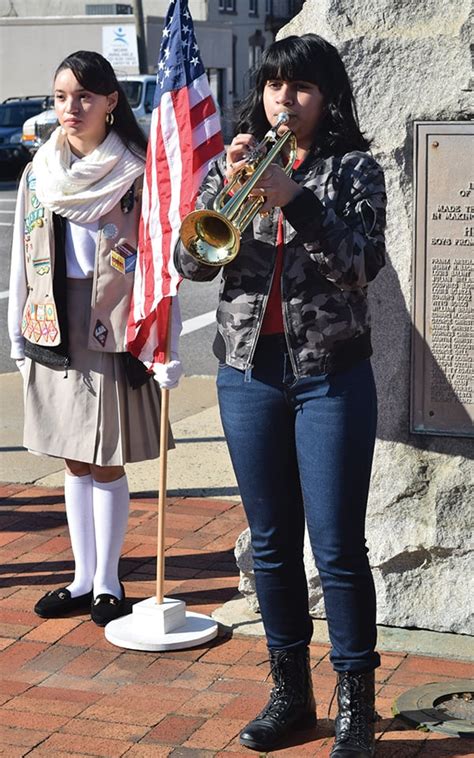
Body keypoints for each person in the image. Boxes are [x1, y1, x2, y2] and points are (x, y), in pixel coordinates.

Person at [175, 34, 386, 757]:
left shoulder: (353, 168)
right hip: (248, 374)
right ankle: (290, 692)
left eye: (298, 88)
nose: (283, 100)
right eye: (273, 86)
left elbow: (361, 266)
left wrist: (294, 198)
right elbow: (192, 263)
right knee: (270, 546)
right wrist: (227, 193)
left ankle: (356, 701)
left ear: (325, 97)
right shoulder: (234, 164)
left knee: (336, 547)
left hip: (330, 376)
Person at [8, 50, 183, 627]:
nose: (70, 108)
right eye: (60, 97)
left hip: (115, 321)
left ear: (112, 102)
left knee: (105, 459)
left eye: (83, 96)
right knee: (72, 459)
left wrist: (166, 343)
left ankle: (109, 581)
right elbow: (21, 253)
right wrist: (17, 334)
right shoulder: (42, 169)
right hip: (54, 319)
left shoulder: (137, 168)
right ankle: (81, 577)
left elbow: (162, 266)